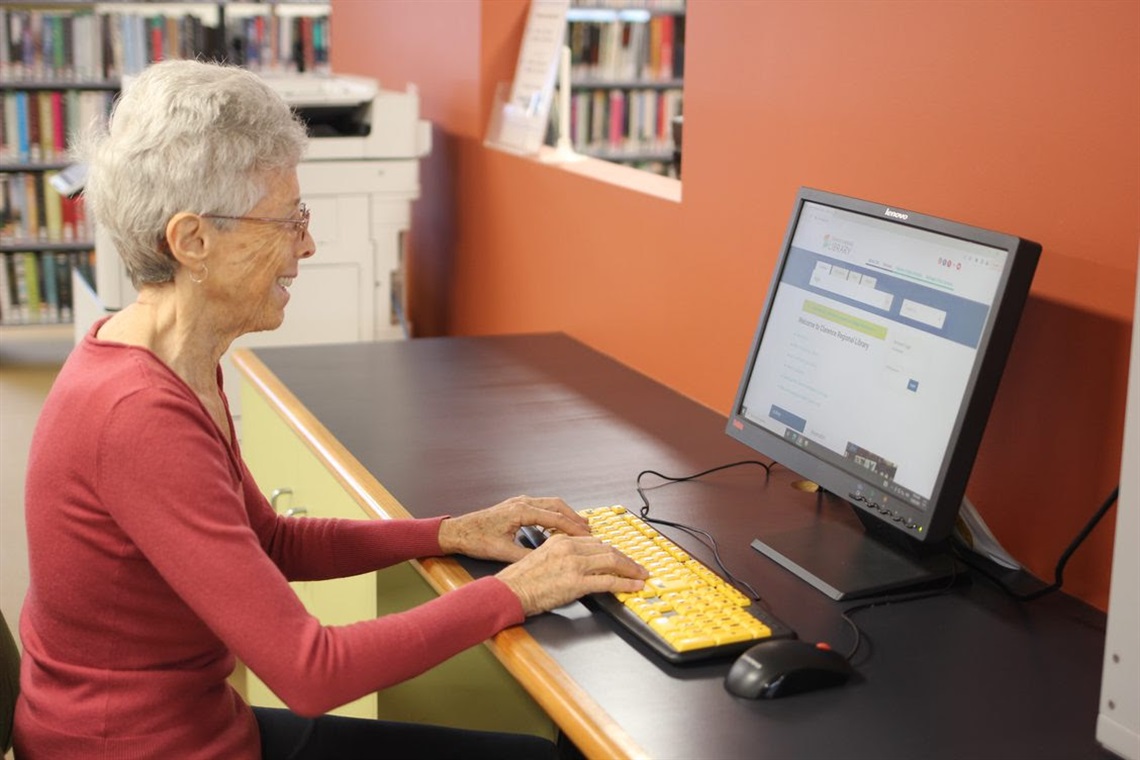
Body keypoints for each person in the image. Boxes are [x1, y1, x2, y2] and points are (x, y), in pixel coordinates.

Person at [14, 59, 648, 760]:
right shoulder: (137, 415)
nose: (307, 245)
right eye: (287, 221)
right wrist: (518, 591)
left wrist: (449, 532)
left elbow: (269, 541)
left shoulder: (168, 361)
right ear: (192, 241)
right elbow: (310, 673)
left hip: (197, 730)